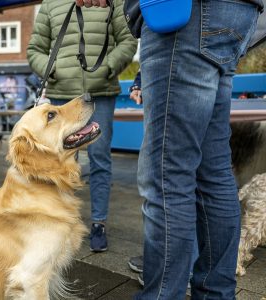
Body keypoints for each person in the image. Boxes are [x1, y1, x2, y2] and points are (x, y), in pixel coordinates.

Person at [77, 0, 262, 298]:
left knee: (166, 175)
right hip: (238, 12)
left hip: (184, 14)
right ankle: (216, 293)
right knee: (213, 173)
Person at [27, 0, 137, 252]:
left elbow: (128, 40)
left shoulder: (114, 1)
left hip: (100, 93)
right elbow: (35, 48)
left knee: (100, 159)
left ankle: (98, 223)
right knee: (59, 162)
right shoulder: (50, 3)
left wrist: (107, 67)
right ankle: (58, 219)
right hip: (61, 96)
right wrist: (53, 69)